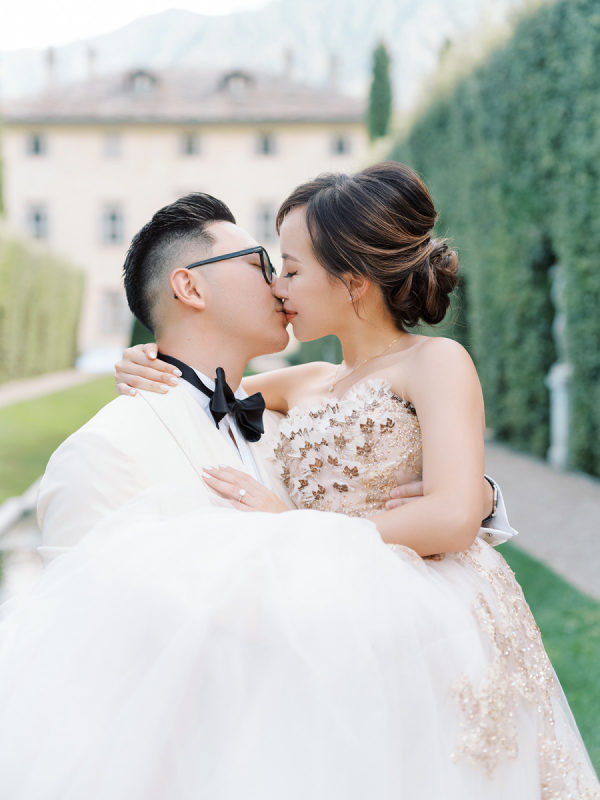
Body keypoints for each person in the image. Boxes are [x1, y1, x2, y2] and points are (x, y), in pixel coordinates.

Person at [0, 170, 597, 799]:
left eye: (287, 268)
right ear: (189, 286)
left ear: (352, 280)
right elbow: (207, 387)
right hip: (319, 650)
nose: (276, 285)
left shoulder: (433, 361)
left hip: (428, 617)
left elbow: (447, 509)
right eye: (266, 266)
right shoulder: (296, 385)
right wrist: (144, 357)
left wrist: (466, 498)